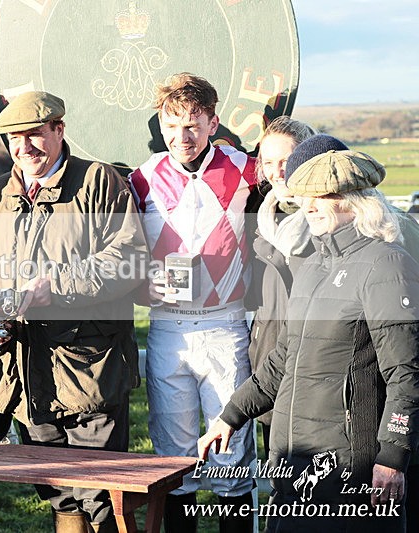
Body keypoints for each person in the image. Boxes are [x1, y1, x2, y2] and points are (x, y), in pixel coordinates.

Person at [198, 147, 419, 531]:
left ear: (357, 201)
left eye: (324, 196)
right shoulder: (313, 265)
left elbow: (406, 373)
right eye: (306, 197)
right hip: (291, 462)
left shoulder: (387, 264)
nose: (311, 206)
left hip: (349, 470)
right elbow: (282, 359)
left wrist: (392, 457)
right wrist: (230, 416)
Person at [0, 90, 147, 532]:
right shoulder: (0, 193)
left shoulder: (97, 182)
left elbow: (128, 258)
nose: (24, 147)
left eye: (35, 135)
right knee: (58, 492)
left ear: (59, 130)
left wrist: (55, 285)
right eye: (14, 139)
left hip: (88, 369)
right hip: (25, 371)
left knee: (102, 493)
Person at [128, 72, 257, 533]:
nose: (182, 137)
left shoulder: (243, 167)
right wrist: (142, 283)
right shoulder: (141, 178)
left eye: (192, 125)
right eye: (171, 125)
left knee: (233, 451)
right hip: (167, 328)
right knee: (173, 455)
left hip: (226, 325)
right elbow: (121, 249)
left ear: (212, 123)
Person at [247, 116, 317, 458]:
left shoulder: (328, 217)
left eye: (286, 161)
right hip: (271, 357)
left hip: (319, 360)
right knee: (280, 480)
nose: (277, 171)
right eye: (268, 162)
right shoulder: (262, 216)